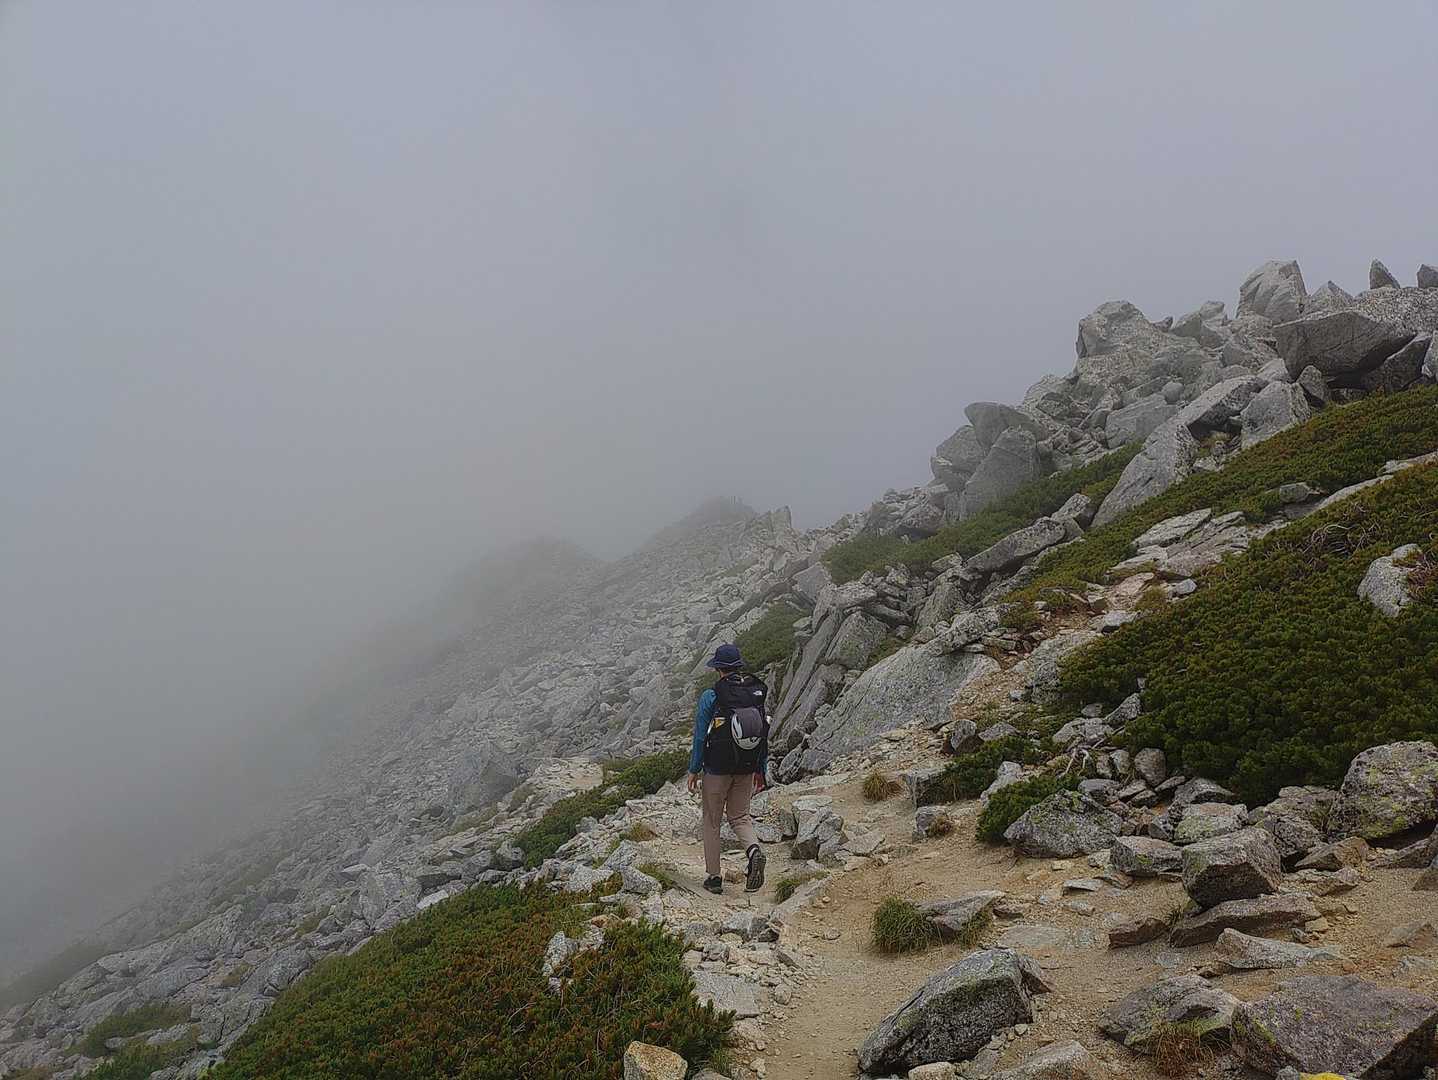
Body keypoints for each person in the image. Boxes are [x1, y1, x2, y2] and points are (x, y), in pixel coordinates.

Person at [687, 643, 769, 894]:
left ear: (718, 669)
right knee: (740, 817)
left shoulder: (711, 696)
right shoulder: (754, 693)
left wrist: (694, 769)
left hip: (716, 769)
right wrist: (760, 769)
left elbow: (700, 736)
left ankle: (714, 878)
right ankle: (753, 851)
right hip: (746, 766)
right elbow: (762, 734)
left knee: (712, 821)